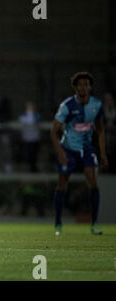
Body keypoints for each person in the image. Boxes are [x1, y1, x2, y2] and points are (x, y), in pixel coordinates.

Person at [50, 72, 108, 236]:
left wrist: (103, 153)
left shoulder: (96, 104)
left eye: (86, 84)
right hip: (68, 149)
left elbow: (100, 130)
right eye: (80, 84)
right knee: (62, 183)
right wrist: (60, 152)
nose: (83, 87)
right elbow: (53, 132)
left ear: (90, 87)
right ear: (75, 87)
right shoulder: (67, 105)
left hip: (87, 149)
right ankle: (58, 223)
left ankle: (95, 223)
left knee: (93, 182)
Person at [18, 101, 41, 172]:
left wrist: (31, 113)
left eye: (32, 107)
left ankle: (33, 170)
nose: (30, 109)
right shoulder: (22, 116)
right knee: (26, 156)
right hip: (26, 139)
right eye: (29, 107)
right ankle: (28, 170)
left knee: (34, 156)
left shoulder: (37, 115)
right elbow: (23, 120)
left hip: (34, 139)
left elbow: (32, 121)